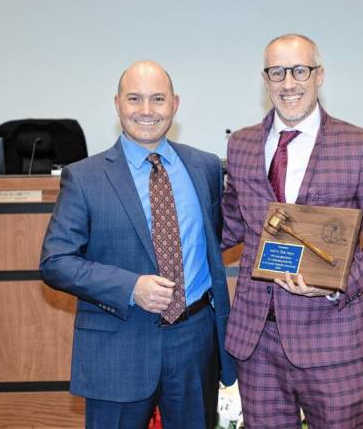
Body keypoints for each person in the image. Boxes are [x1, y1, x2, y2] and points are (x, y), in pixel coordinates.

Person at [222, 34, 363, 428]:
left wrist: (336, 283)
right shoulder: (241, 145)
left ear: (318, 75)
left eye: (299, 70)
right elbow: (230, 226)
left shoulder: (360, 146)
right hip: (257, 342)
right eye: (277, 72)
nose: (288, 83)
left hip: (331, 338)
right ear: (265, 79)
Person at [40, 60, 235, 429]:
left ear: (175, 104)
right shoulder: (84, 177)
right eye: (135, 99)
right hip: (118, 345)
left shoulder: (205, 167)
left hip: (195, 342)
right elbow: (56, 261)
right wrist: (131, 288)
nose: (146, 111)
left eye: (157, 99)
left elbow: (217, 238)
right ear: (117, 104)